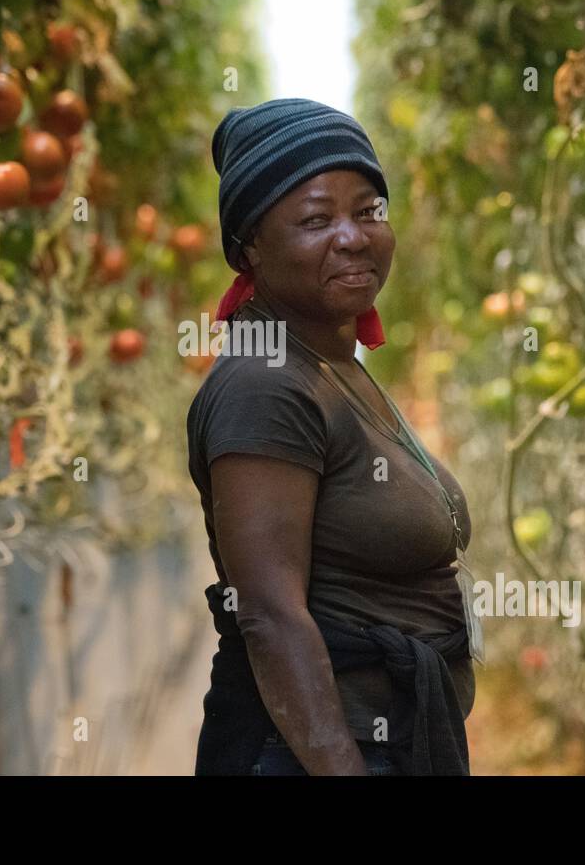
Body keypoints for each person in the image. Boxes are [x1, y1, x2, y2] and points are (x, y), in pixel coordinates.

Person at [187, 97, 482, 776]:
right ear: (249, 246)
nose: (354, 236)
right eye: (317, 219)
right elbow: (269, 614)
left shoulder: (331, 364)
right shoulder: (265, 385)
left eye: (368, 210)